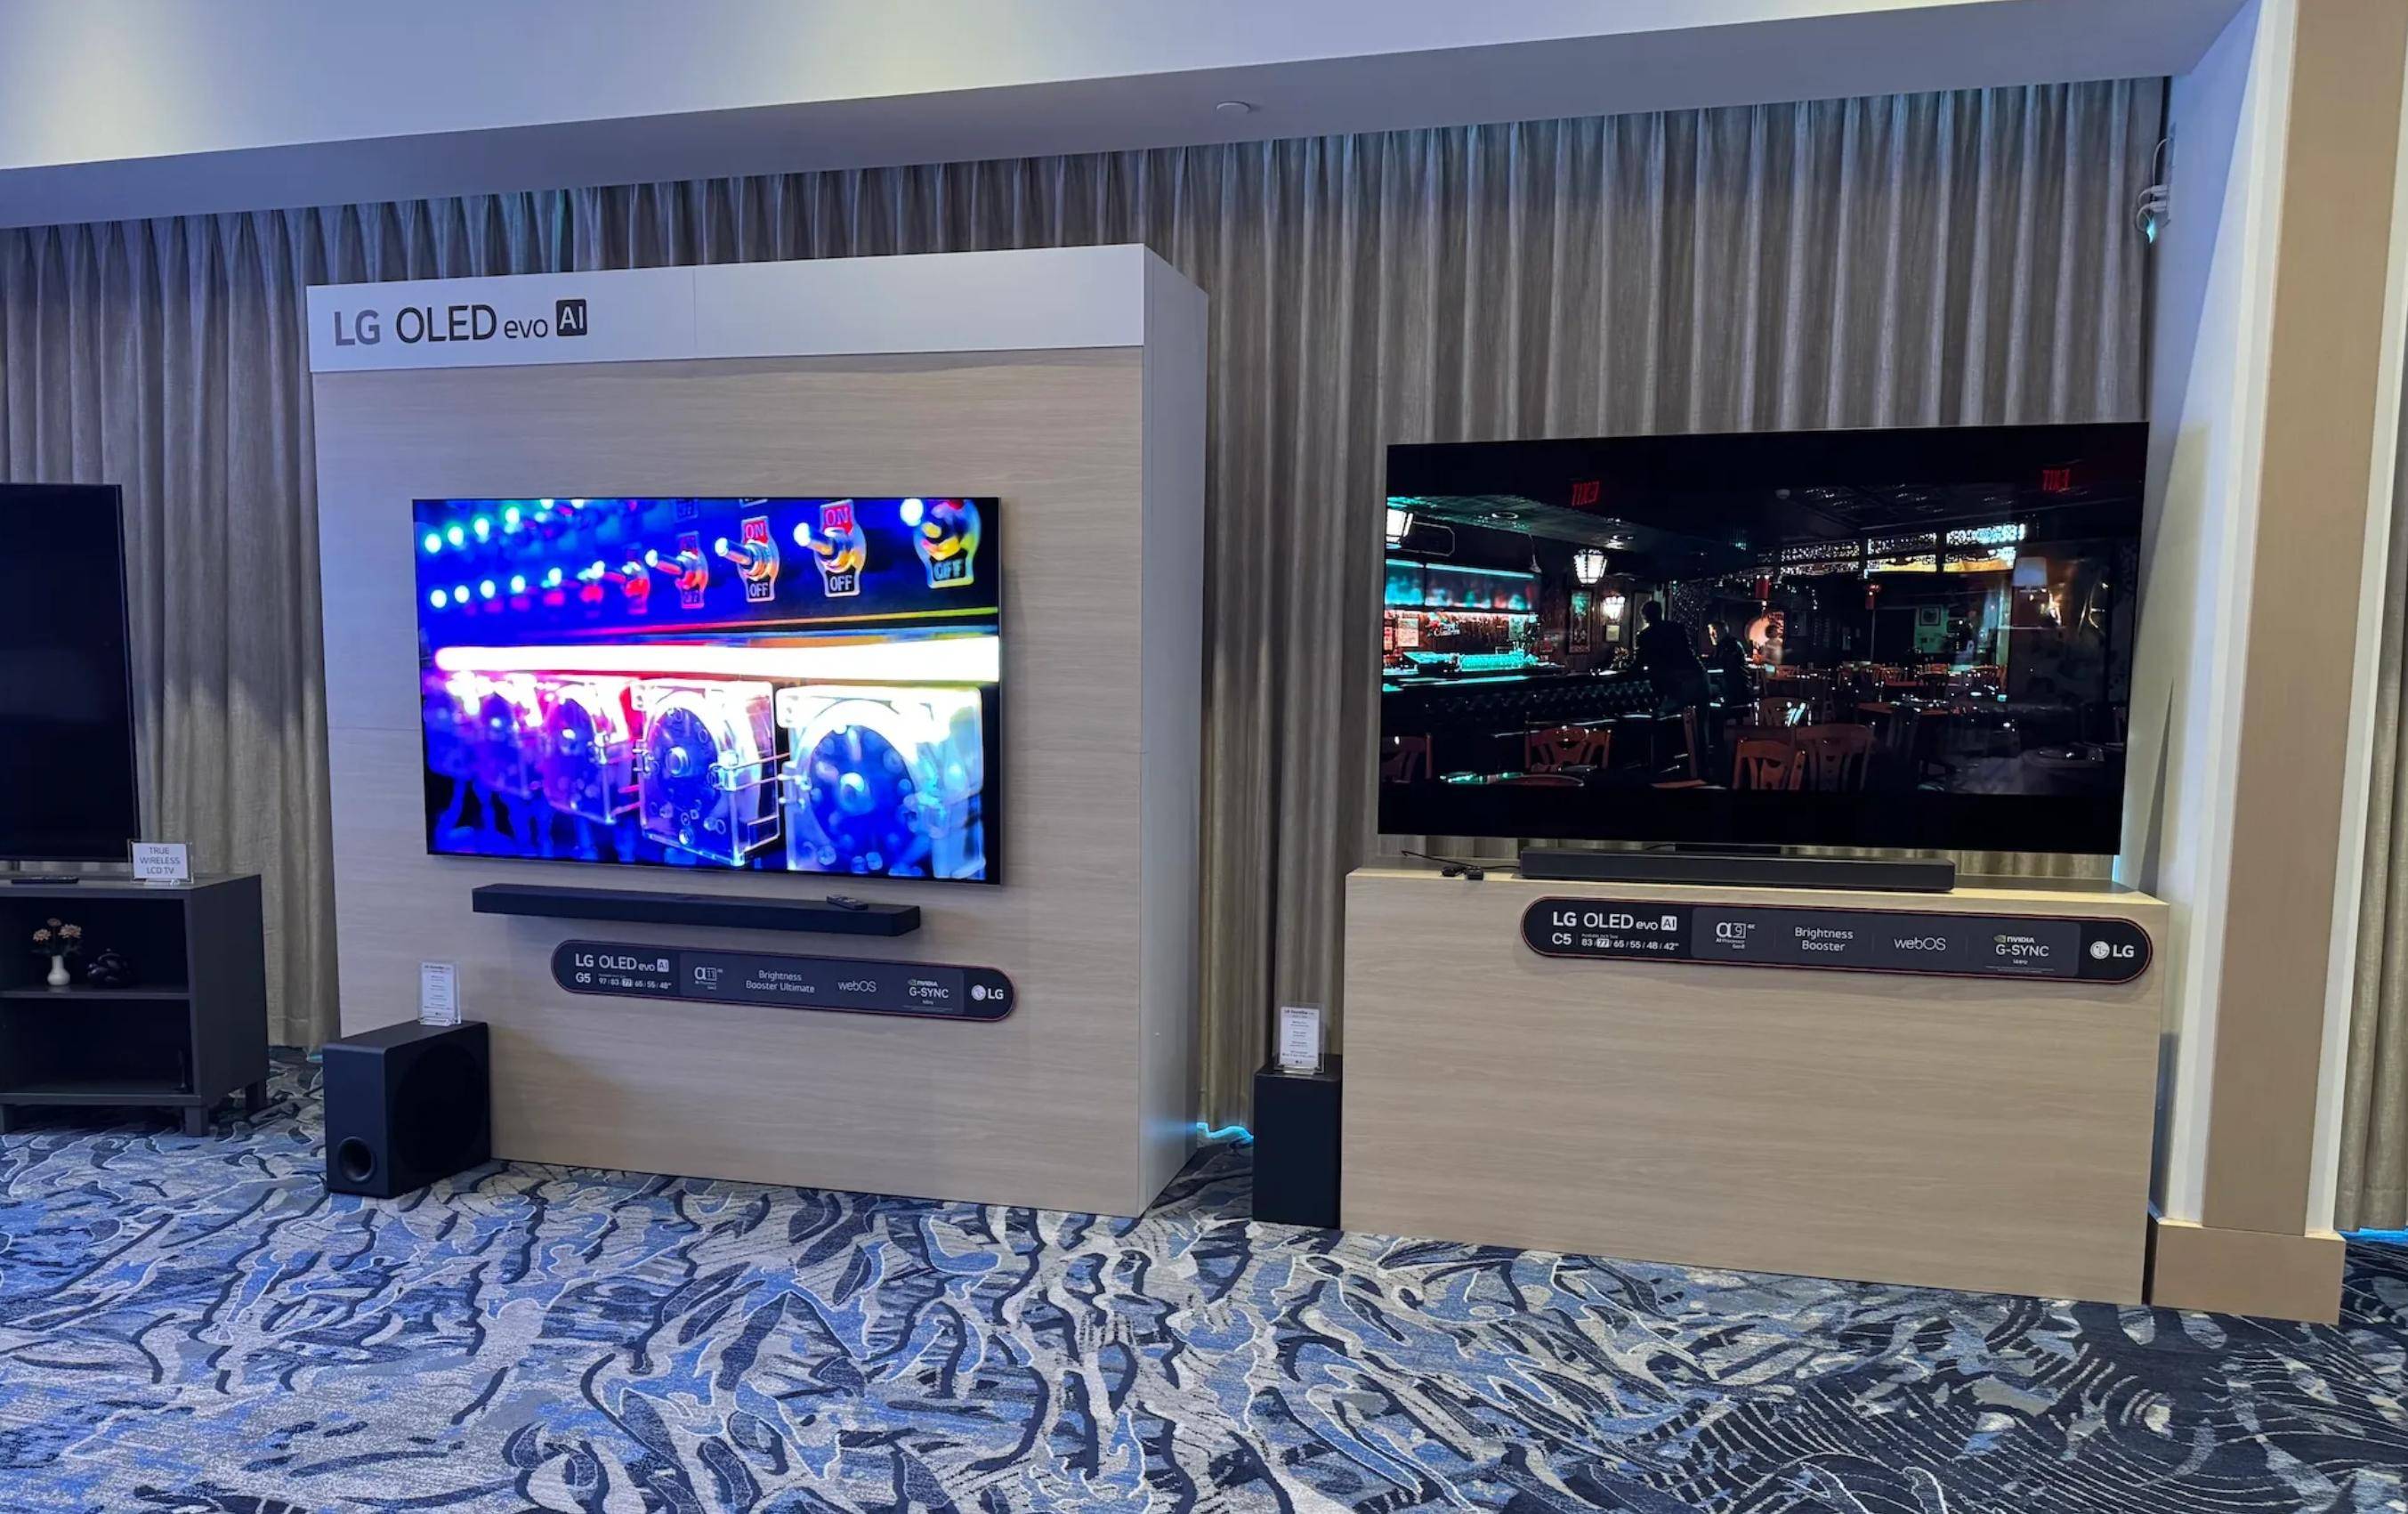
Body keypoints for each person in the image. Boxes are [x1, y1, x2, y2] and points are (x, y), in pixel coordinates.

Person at [1635, 601, 1716, 775]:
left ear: (1646, 617)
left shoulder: (1646, 636)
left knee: (1661, 716)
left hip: (1682, 683)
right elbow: (1686, 652)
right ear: (1661, 613)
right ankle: (1701, 766)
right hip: (1700, 676)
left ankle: (1662, 765)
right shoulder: (1677, 628)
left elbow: (1638, 665)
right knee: (1701, 723)